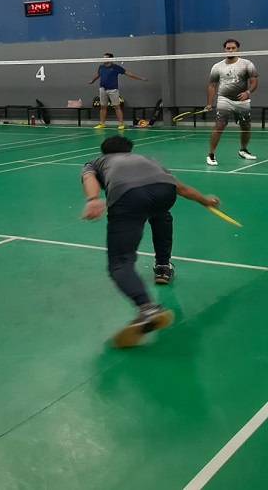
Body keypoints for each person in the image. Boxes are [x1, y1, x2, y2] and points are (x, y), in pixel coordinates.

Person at [81, 135, 222, 347]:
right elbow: (182, 188)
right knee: (160, 213)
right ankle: (163, 266)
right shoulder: (146, 159)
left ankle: (147, 309)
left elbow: (89, 178)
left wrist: (93, 200)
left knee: (120, 262)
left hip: (128, 196)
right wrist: (205, 200)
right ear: (129, 150)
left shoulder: (96, 162)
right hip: (164, 191)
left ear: (104, 153)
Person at [204, 39, 258, 166]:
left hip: (242, 100)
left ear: (237, 49)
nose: (230, 50)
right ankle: (211, 155)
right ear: (224, 50)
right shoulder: (217, 67)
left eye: (233, 48)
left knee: (246, 126)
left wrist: (248, 92)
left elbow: (254, 82)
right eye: (228, 48)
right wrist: (210, 103)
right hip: (224, 99)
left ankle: (243, 150)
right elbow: (212, 86)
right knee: (220, 125)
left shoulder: (247, 64)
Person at [88, 53, 147, 130]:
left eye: (105, 58)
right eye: (103, 58)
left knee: (117, 107)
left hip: (113, 90)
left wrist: (140, 78)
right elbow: (98, 75)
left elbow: (128, 73)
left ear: (110, 59)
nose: (103, 59)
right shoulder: (101, 67)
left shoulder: (116, 67)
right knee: (102, 107)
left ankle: (121, 124)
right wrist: (92, 81)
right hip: (103, 89)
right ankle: (102, 123)